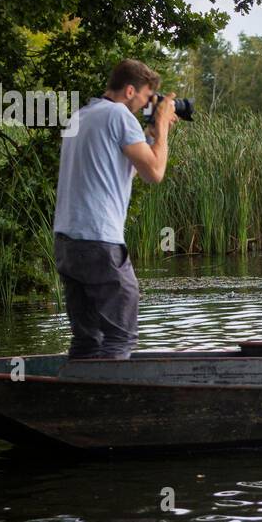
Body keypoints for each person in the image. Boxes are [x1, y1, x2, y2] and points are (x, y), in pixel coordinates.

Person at [53, 59, 177, 359]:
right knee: (120, 335)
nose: (149, 104)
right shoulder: (119, 116)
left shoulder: (81, 116)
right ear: (131, 90)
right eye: (148, 97)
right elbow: (155, 173)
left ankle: (78, 398)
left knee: (87, 339)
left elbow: (122, 169)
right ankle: (113, 400)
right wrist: (161, 129)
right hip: (99, 240)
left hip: (67, 242)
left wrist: (147, 137)